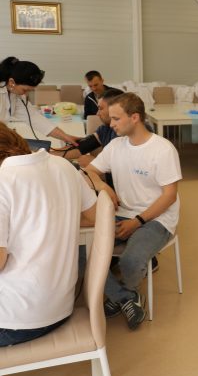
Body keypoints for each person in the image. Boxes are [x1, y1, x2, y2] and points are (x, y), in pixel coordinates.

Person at [84, 93, 181, 330]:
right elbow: (88, 170)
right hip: (123, 214)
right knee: (80, 253)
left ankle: (120, 296)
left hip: (158, 218)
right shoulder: (116, 146)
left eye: (116, 118)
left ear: (134, 118)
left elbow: (169, 196)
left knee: (130, 260)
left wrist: (137, 221)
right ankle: (126, 297)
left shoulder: (162, 149)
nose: (111, 124)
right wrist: (102, 185)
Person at [0, 123, 97, 347]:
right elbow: (95, 217)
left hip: (15, 320)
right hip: (60, 307)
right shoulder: (63, 165)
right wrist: (53, 220)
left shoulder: (3, 181)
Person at [0, 57, 80, 145]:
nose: (25, 94)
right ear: (11, 82)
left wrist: (65, 136)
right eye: (25, 90)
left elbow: (34, 117)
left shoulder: (14, 93)